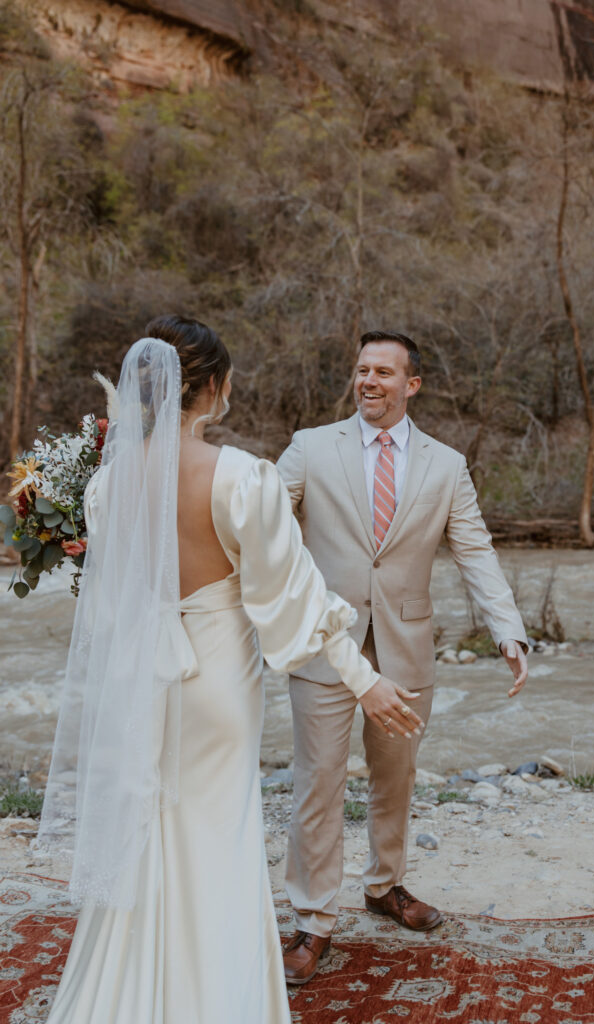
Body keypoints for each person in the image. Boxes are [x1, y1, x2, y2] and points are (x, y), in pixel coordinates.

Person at [37, 317, 420, 1024]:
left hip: (143, 685)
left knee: (150, 831)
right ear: (212, 389)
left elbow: (111, 601)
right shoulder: (243, 478)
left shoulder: (107, 485)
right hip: (214, 685)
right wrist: (363, 679)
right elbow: (296, 595)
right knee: (219, 838)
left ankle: (133, 995)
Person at [277, 329, 529, 984]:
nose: (368, 381)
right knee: (319, 780)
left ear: (410, 385)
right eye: (361, 370)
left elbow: (473, 549)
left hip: (405, 648)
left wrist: (507, 631)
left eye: (383, 372)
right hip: (325, 647)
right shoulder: (309, 448)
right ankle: (312, 921)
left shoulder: (445, 466)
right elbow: (262, 524)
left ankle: (384, 886)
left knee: (394, 779)